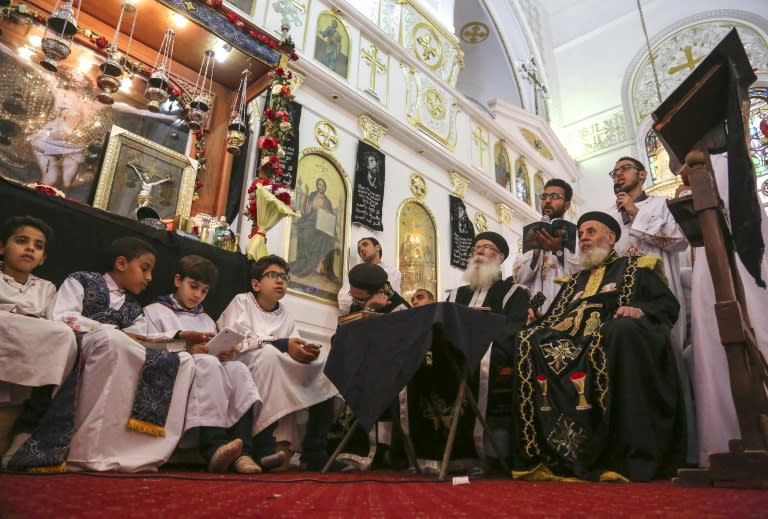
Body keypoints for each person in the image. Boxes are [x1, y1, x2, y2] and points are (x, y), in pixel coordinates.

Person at [509, 211, 685, 481]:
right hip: (572, 345)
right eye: (581, 234)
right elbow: (558, 319)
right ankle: (542, 454)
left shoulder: (636, 267)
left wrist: (637, 310)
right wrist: (537, 321)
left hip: (611, 339)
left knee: (618, 330)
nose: (584, 238)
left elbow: (666, 306)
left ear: (611, 237)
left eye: (591, 232)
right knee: (526, 338)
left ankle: (619, 455)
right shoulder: (574, 282)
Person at [34, 237, 195, 472]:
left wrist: (179, 339)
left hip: (120, 348)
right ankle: (85, 450)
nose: (149, 278)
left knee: (185, 361)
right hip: (81, 345)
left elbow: (139, 340)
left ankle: (140, 453)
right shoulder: (81, 280)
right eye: (144, 269)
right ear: (121, 263)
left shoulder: (134, 308)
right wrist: (111, 331)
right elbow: (61, 316)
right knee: (112, 340)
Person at [124, 255, 270, 474]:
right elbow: (140, 343)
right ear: (177, 280)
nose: (197, 295)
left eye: (204, 291)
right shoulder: (154, 311)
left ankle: (244, 452)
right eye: (193, 287)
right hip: (179, 369)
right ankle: (214, 447)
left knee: (238, 369)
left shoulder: (206, 320)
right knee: (207, 363)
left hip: (207, 367)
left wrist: (224, 354)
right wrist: (186, 348)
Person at [404, 231, 529, 465]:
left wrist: (477, 342)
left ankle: (468, 454)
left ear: (500, 257)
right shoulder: (454, 295)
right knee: (418, 364)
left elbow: (512, 329)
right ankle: (425, 454)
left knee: (469, 362)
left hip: (489, 355)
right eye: (476, 248)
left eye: (486, 248)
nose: (479, 252)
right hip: (450, 354)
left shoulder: (516, 293)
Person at [605, 156, 695, 463]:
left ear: (642, 174)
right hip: (623, 302)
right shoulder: (610, 217)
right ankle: (634, 446)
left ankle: (680, 450)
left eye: (624, 169)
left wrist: (636, 215)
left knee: (668, 363)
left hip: (660, 295)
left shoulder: (661, 205)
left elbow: (678, 242)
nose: (618, 174)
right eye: (614, 171)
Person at [683, 153, 768, 467]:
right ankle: (729, 435)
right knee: (714, 342)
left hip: (738, 249)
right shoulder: (696, 176)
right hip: (711, 256)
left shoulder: (726, 164)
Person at [217, 255, 340, 471]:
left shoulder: (286, 314)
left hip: (276, 362)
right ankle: (263, 446)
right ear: (256, 284)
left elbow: (294, 341)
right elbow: (235, 341)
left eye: (284, 277)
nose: (280, 281)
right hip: (242, 362)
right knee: (269, 356)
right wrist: (283, 344)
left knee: (323, 369)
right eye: (273, 275)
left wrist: (305, 351)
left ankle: (314, 450)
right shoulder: (242, 302)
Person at [0, 216, 78, 468]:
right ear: (2, 247)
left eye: (38, 245)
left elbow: (51, 324)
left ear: (43, 258)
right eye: (22, 241)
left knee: (64, 336)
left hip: (29, 353)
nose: (30, 248)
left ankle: (24, 434)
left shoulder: (46, 288)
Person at [513, 179, 580, 314]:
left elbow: (582, 272)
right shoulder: (532, 234)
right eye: (544, 196)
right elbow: (519, 279)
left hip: (566, 307)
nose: (548, 201)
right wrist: (535, 253)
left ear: (567, 205)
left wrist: (558, 251)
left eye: (555, 196)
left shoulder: (578, 236)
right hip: (534, 310)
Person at [337, 237, 402, 315]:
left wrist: (359, 301)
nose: (361, 249)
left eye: (365, 244)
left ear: (377, 247)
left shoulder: (393, 272)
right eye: (359, 249)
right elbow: (343, 303)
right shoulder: (355, 274)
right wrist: (368, 304)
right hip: (356, 319)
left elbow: (390, 299)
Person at [290, 177, 338, 282]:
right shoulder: (312, 195)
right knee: (305, 233)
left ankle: (320, 266)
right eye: (319, 185)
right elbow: (306, 210)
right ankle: (306, 262)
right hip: (310, 221)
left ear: (325, 187)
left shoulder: (328, 201)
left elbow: (331, 216)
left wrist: (326, 212)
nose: (321, 187)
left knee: (327, 238)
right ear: (317, 186)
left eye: (323, 185)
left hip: (322, 225)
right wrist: (306, 196)